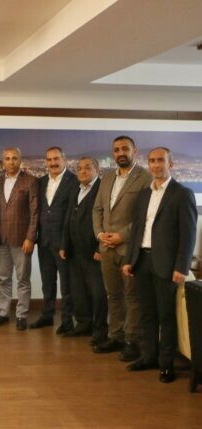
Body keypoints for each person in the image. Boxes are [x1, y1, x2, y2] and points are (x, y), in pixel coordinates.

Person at [122, 147, 197, 383]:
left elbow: (188, 234)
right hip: (142, 261)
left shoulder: (182, 194)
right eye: (152, 161)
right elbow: (137, 230)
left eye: (161, 161)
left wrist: (181, 267)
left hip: (167, 264)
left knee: (166, 316)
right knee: (147, 313)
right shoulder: (144, 194)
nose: (156, 165)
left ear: (170, 164)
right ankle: (149, 357)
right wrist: (129, 259)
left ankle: (166, 364)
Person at [92, 136, 151, 361]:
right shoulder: (107, 178)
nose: (120, 153)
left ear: (135, 151)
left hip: (129, 248)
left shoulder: (144, 178)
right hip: (106, 247)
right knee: (113, 294)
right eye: (116, 150)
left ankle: (132, 341)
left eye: (125, 148)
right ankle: (115, 336)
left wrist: (120, 236)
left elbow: (145, 215)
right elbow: (97, 209)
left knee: (132, 297)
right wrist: (100, 234)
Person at [59, 157, 108, 344]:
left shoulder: (102, 189)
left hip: (93, 251)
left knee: (98, 293)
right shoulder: (76, 188)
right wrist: (64, 244)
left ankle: (100, 329)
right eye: (79, 168)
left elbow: (106, 220)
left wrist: (100, 247)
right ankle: (83, 324)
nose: (82, 171)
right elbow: (68, 218)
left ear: (97, 169)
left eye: (87, 168)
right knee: (78, 290)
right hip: (75, 250)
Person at [30, 147, 78, 333]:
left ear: (64, 159)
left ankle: (67, 320)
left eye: (56, 158)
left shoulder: (73, 181)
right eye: (49, 160)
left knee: (67, 284)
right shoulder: (41, 181)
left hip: (64, 243)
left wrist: (66, 242)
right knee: (47, 282)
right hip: (44, 241)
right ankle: (47, 315)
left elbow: (72, 215)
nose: (53, 163)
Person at [0, 147, 38, 331]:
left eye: (14, 158)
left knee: (23, 279)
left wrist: (30, 238)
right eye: (7, 158)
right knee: (3, 278)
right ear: (3, 161)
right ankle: (3, 312)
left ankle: (21, 315)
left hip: (21, 239)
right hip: (1, 239)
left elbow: (34, 213)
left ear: (20, 160)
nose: (11, 162)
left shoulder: (31, 181)